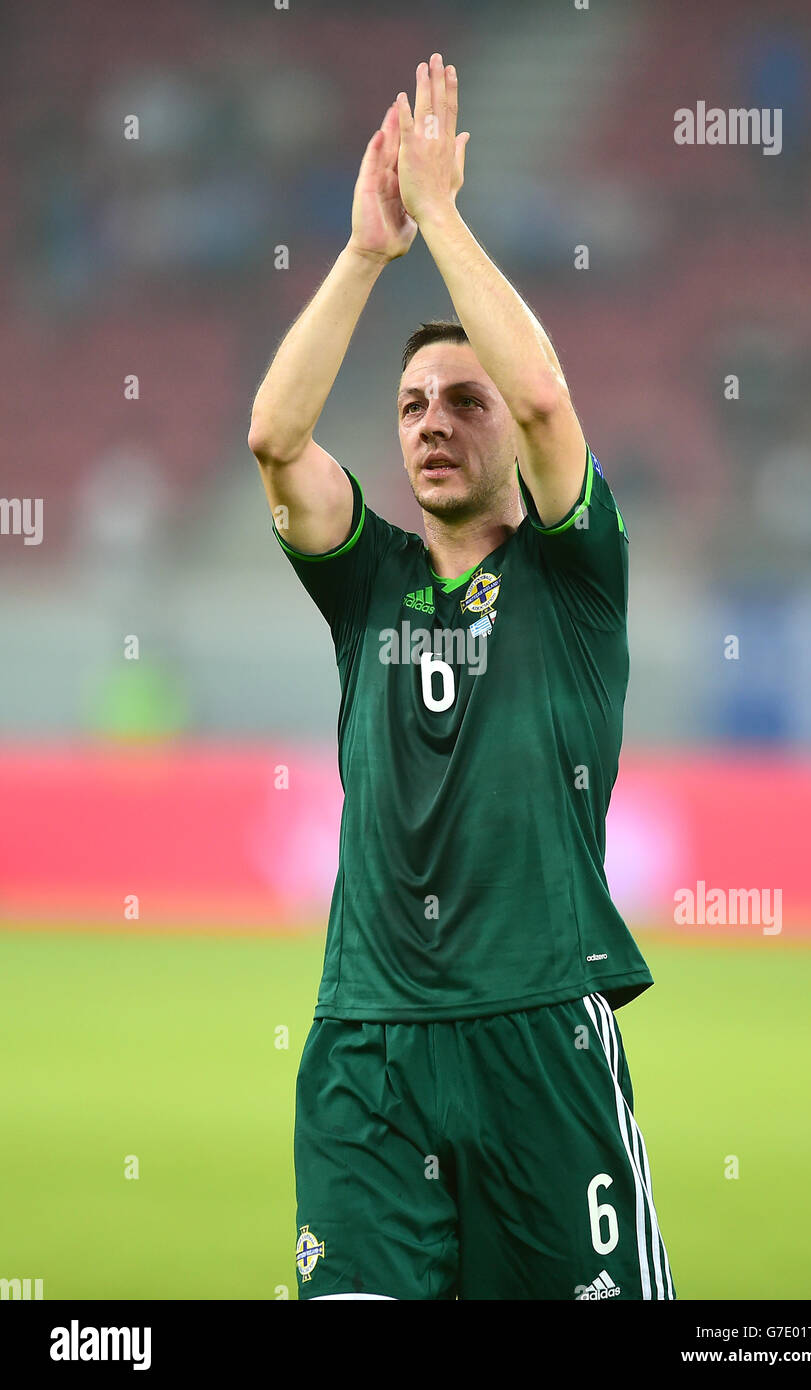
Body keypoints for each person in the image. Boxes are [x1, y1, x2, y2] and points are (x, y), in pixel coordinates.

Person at [248, 53, 675, 1301]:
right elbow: (276, 438)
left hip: (536, 1023)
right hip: (365, 1042)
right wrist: (366, 254)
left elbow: (543, 396)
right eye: (412, 405)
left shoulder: (574, 576)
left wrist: (440, 215)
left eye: (459, 402)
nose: (432, 422)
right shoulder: (365, 580)